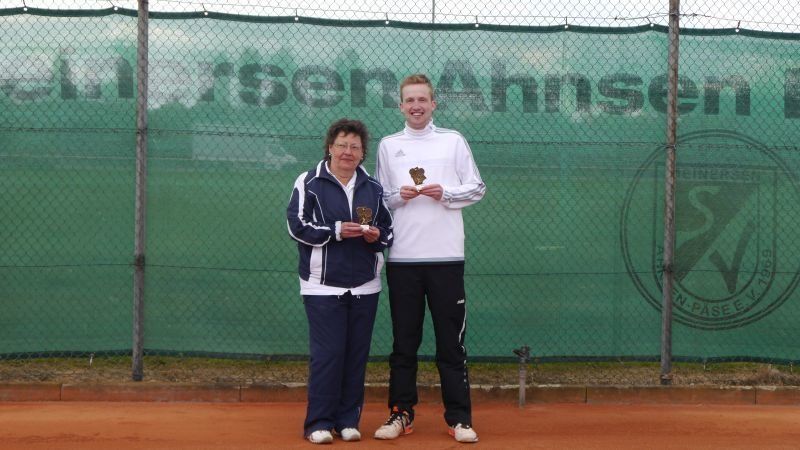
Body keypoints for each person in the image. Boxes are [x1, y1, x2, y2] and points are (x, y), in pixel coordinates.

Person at [373, 74, 486, 444]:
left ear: (433, 104)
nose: (416, 106)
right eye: (410, 100)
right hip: (403, 260)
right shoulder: (388, 146)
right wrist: (399, 196)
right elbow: (379, 198)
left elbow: (477, 188)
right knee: (404, 343)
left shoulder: (453, 141)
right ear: (401, 106)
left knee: (451, 344)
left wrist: (445, 193)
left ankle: (459, 419)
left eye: (422, 99)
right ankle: (401, 414)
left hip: (446, 259)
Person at [286, 118, 393, 445]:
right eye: (342, 145)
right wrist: (335, 231)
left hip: (365, 286)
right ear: (330, 147)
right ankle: (318, 422)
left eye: (355, 147)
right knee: (328, 354)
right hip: (322, 285)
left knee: (355, 356)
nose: (348, 152)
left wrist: (375, 237)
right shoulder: (309, 182)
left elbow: (388, 232)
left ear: (362, 153)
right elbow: (296, 226)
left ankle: (347, 420)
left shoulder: (373, 188)